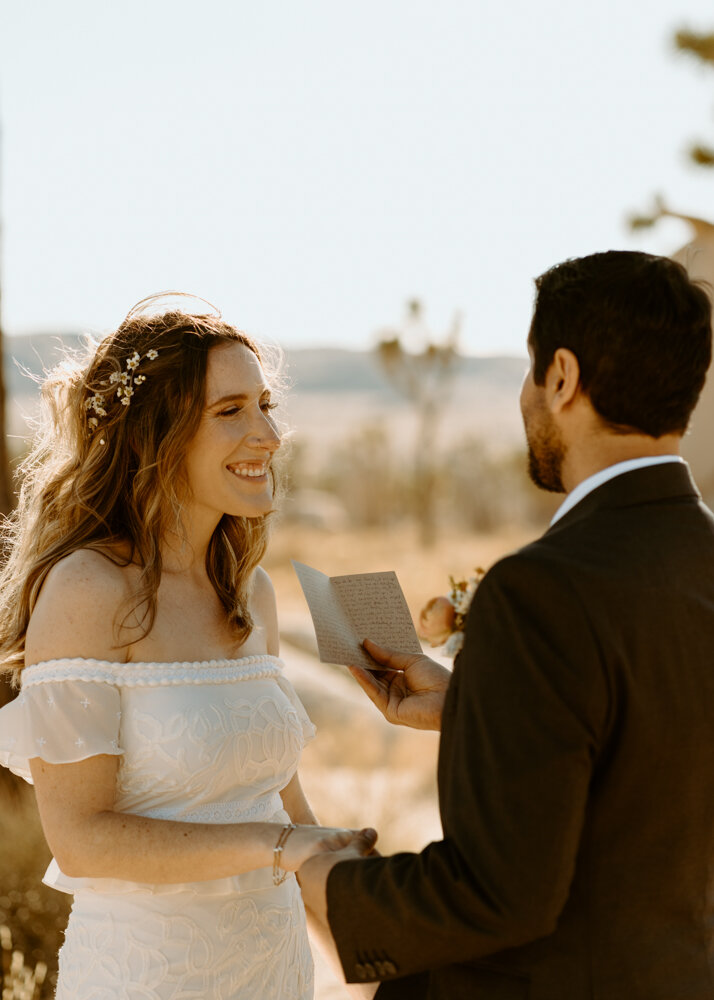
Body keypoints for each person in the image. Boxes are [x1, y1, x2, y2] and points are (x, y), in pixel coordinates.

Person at [298, 250, 714, 999]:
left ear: (561, 376)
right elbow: (660, 758)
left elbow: (500, 892)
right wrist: (475, 706)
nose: (525, 395)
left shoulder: (540, 591)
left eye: (530, 372)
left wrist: (325, 881)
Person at [0, 296, 376, 1000]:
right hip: (148, 976)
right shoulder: (88, 590)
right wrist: (273, 849)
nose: (267, 432)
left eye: (265, 405)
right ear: (152, 435)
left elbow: (283, 805)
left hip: (274, 969)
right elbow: (81, 836)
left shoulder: (247, 591)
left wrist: (372, 963)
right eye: (230, 410)